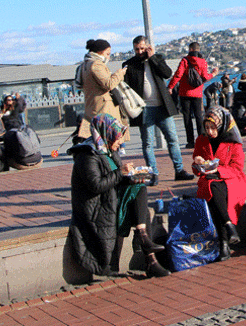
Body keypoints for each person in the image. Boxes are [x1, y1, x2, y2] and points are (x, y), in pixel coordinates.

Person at [67, 114, 169, 279]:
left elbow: (115, 179)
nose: (120, 143)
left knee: (140, 189)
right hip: (96, 207)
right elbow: (96, 186)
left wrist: (134, 176)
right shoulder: (87, 156)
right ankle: (149, 256)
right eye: (117, 138)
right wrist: (120, 172)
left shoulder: (106, 149)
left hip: (110, 198)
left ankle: (145, 244)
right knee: (140, 203)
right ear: (106, 134)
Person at [122, 36, 194, 183]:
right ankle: (153, 174)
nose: (140, 51)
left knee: (172, 139)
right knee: (147, 143)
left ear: (148, 47)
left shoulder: (157, 58)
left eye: (142, 48)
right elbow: (126, 89)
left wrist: (152, 57)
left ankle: (179, 170)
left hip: (162, 107)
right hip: (144, 109)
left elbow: (167, 73)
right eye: (137, 49)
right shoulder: (129, 65)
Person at [192, 106, 246, 261]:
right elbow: (196, 170)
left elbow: (237, 168)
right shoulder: (201, 140)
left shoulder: (233, 142)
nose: (209, 132)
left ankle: (224, 241)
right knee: (213, 187)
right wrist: (198, 163)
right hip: (210, 180)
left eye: (213, 127)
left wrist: (218, 171)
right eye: (207, 127)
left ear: (221, 125)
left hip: (232, 180)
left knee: (215, 190)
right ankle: (228, 228)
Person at [168, 42, 219, 149]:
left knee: (187, 118)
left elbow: (178, 74)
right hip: (197, 94)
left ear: (190, 49)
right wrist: (214, 74)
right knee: (199, 117)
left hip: (184, 93)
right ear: (198, 50)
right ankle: (202, 139)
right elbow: (205, 77)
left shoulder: (185, 61)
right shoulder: (203, 62)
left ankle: (190, 141)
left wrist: (170, 87)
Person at [76, 39, 128, 143]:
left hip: (92, 106)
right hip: (104, 108)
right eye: (107, 53)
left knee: (97, 141)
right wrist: (120, 73)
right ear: (99, 52)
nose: (108, 57)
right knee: (110, 141)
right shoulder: (96, 65)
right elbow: (108, 84)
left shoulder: (83, 66)